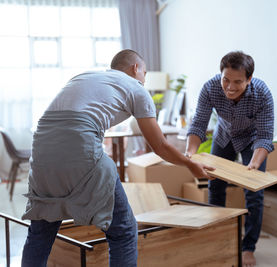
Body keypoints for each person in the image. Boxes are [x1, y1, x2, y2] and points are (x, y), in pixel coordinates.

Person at [21, 49, 214, 267]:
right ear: (136, 68)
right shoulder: (137, 89)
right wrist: (190, 164)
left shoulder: (84, 76)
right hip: (79, 146)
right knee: (123, 231)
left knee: (41, 232)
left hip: (41, 148)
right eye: (145, 73)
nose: (144, 79)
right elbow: (160, 145)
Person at [185, 51, 274, 267]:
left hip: (252, 141)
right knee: (215, 186)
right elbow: (198, 124)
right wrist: (190, 154)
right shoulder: (210, 87)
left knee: (254, 193)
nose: (230, 87)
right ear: (221, 74)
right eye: (226, 79)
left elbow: (264, 136)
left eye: (238, 82)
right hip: (224, 136)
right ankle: (218, 236)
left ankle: (248, 247)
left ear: (249, 79)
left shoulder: (262, 93)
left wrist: (253, 165)